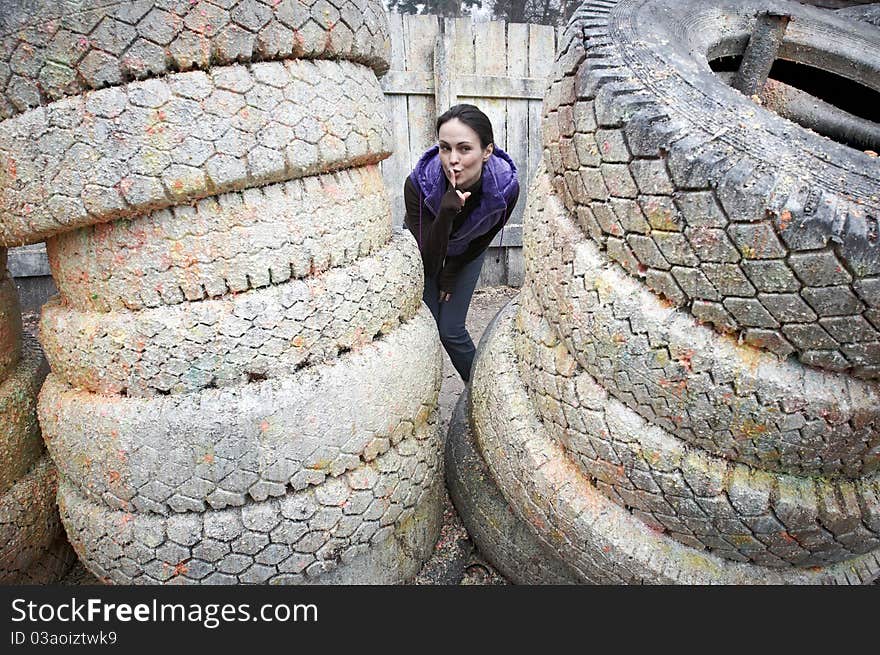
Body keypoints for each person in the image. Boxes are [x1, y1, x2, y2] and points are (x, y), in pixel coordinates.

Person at [403, 104, 520, 382]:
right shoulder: (418, 186)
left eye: (465, 149)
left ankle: (482, 390)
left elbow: (484, 236)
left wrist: (453, 273)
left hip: (468, 249)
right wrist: (445, 213)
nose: (452, 160)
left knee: (451, 329)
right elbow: (430, 263)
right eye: (445, 147)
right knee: (427, 325)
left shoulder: (505, 189)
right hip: (427, 243)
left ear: (487, 152)